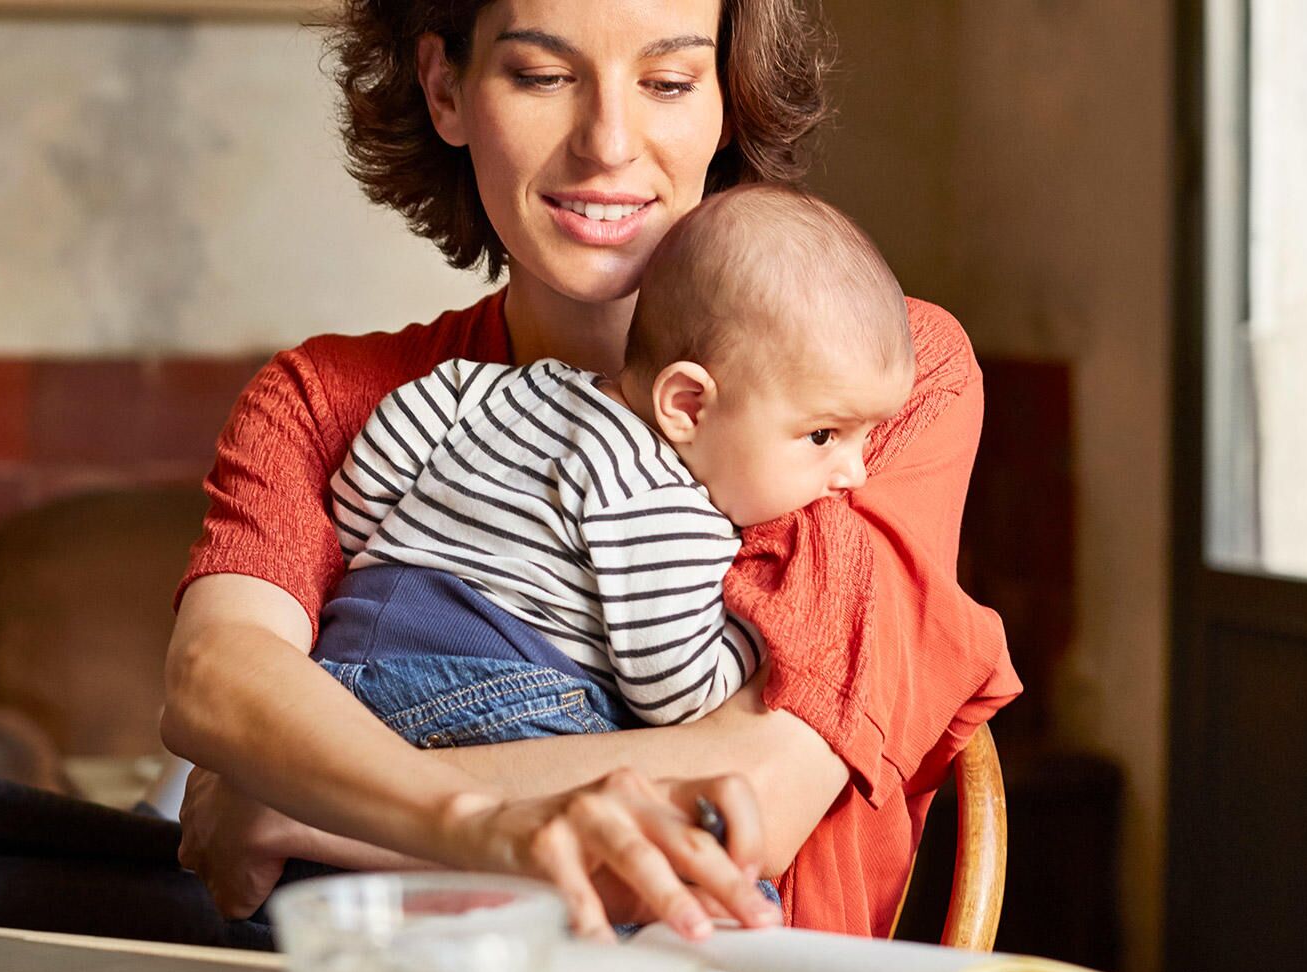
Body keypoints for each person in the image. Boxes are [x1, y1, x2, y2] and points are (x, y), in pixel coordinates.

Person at [160, 0, 1021, 943]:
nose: (609, 144)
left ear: (725, 101)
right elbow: (217, 678)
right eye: (542, 76)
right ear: (446, 89)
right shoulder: (323, 395)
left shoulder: (879, 381)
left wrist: (306, 804)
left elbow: (746, 803)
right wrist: (474, 823)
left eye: (668, 82)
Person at [313, 183, 911, 748]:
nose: (853, 473)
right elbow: (679, 693)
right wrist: (758, 636)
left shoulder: (496, 388)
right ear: (688, 405)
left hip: (338, 673)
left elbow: (378, 461)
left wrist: (377, 562)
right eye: (823, 434)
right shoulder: (669, 507)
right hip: (501, 704)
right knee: (683, 843)